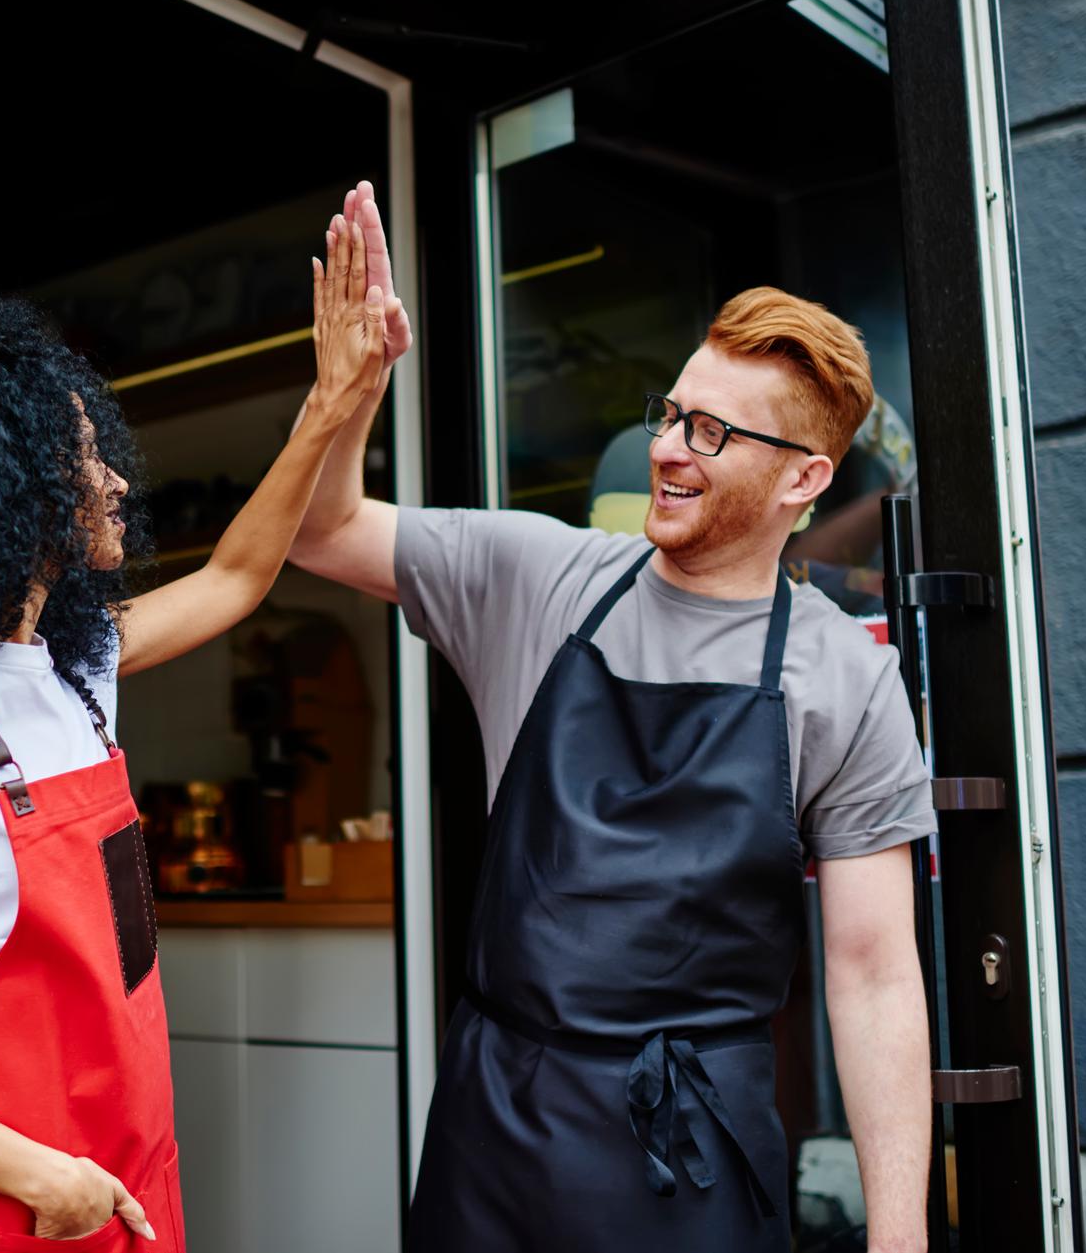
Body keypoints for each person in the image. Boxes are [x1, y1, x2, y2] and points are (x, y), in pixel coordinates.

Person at [0, 212, 403, 1251]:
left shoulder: (68, 671)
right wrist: (39, 1173)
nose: (117, 482)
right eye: (87, 456)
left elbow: (235, 576)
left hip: (120, 1190)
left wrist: (331, 405)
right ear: (5, 489)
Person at [290, 188, 934, 1252]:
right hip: (494, 1126)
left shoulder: (841, 678)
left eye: (714, 431)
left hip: (692, 1151)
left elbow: (872, 973)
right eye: (673, 412)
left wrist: (899, 1234)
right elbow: (323, 532)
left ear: (804, 479)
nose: (671, 449)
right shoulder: (538, 577)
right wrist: (351, 391)